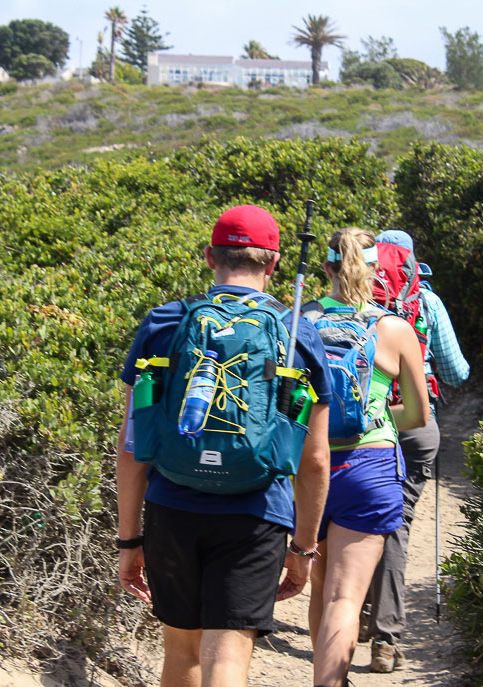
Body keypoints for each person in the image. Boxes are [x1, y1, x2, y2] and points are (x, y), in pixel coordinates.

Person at [116, 204, 331, 687]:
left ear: (210, 256)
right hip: (256, 513)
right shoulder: (298, 335)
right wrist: (304, 548)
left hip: (172, 504)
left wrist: (129, 539)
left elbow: (131, 446)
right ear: (273, 264)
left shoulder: (165, 324)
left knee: (182, 649)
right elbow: (314, 460)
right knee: (228, 656)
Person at [305, 227, 431, 687]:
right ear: (378, 271)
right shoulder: (394, 330)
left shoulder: (300, 323)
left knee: (320, 587)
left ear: (327, 268)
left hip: (308, 465)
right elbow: (417, 416)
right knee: (346, 596)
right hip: (370, 465)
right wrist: (377, 415)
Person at [364, 229, 470, 673]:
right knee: (397, 523)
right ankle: (386, 638)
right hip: (416, 422)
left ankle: (360, 614)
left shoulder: (356, 301)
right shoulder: (426, 302)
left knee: (359, 516)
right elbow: (457, 371)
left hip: (364, 423)